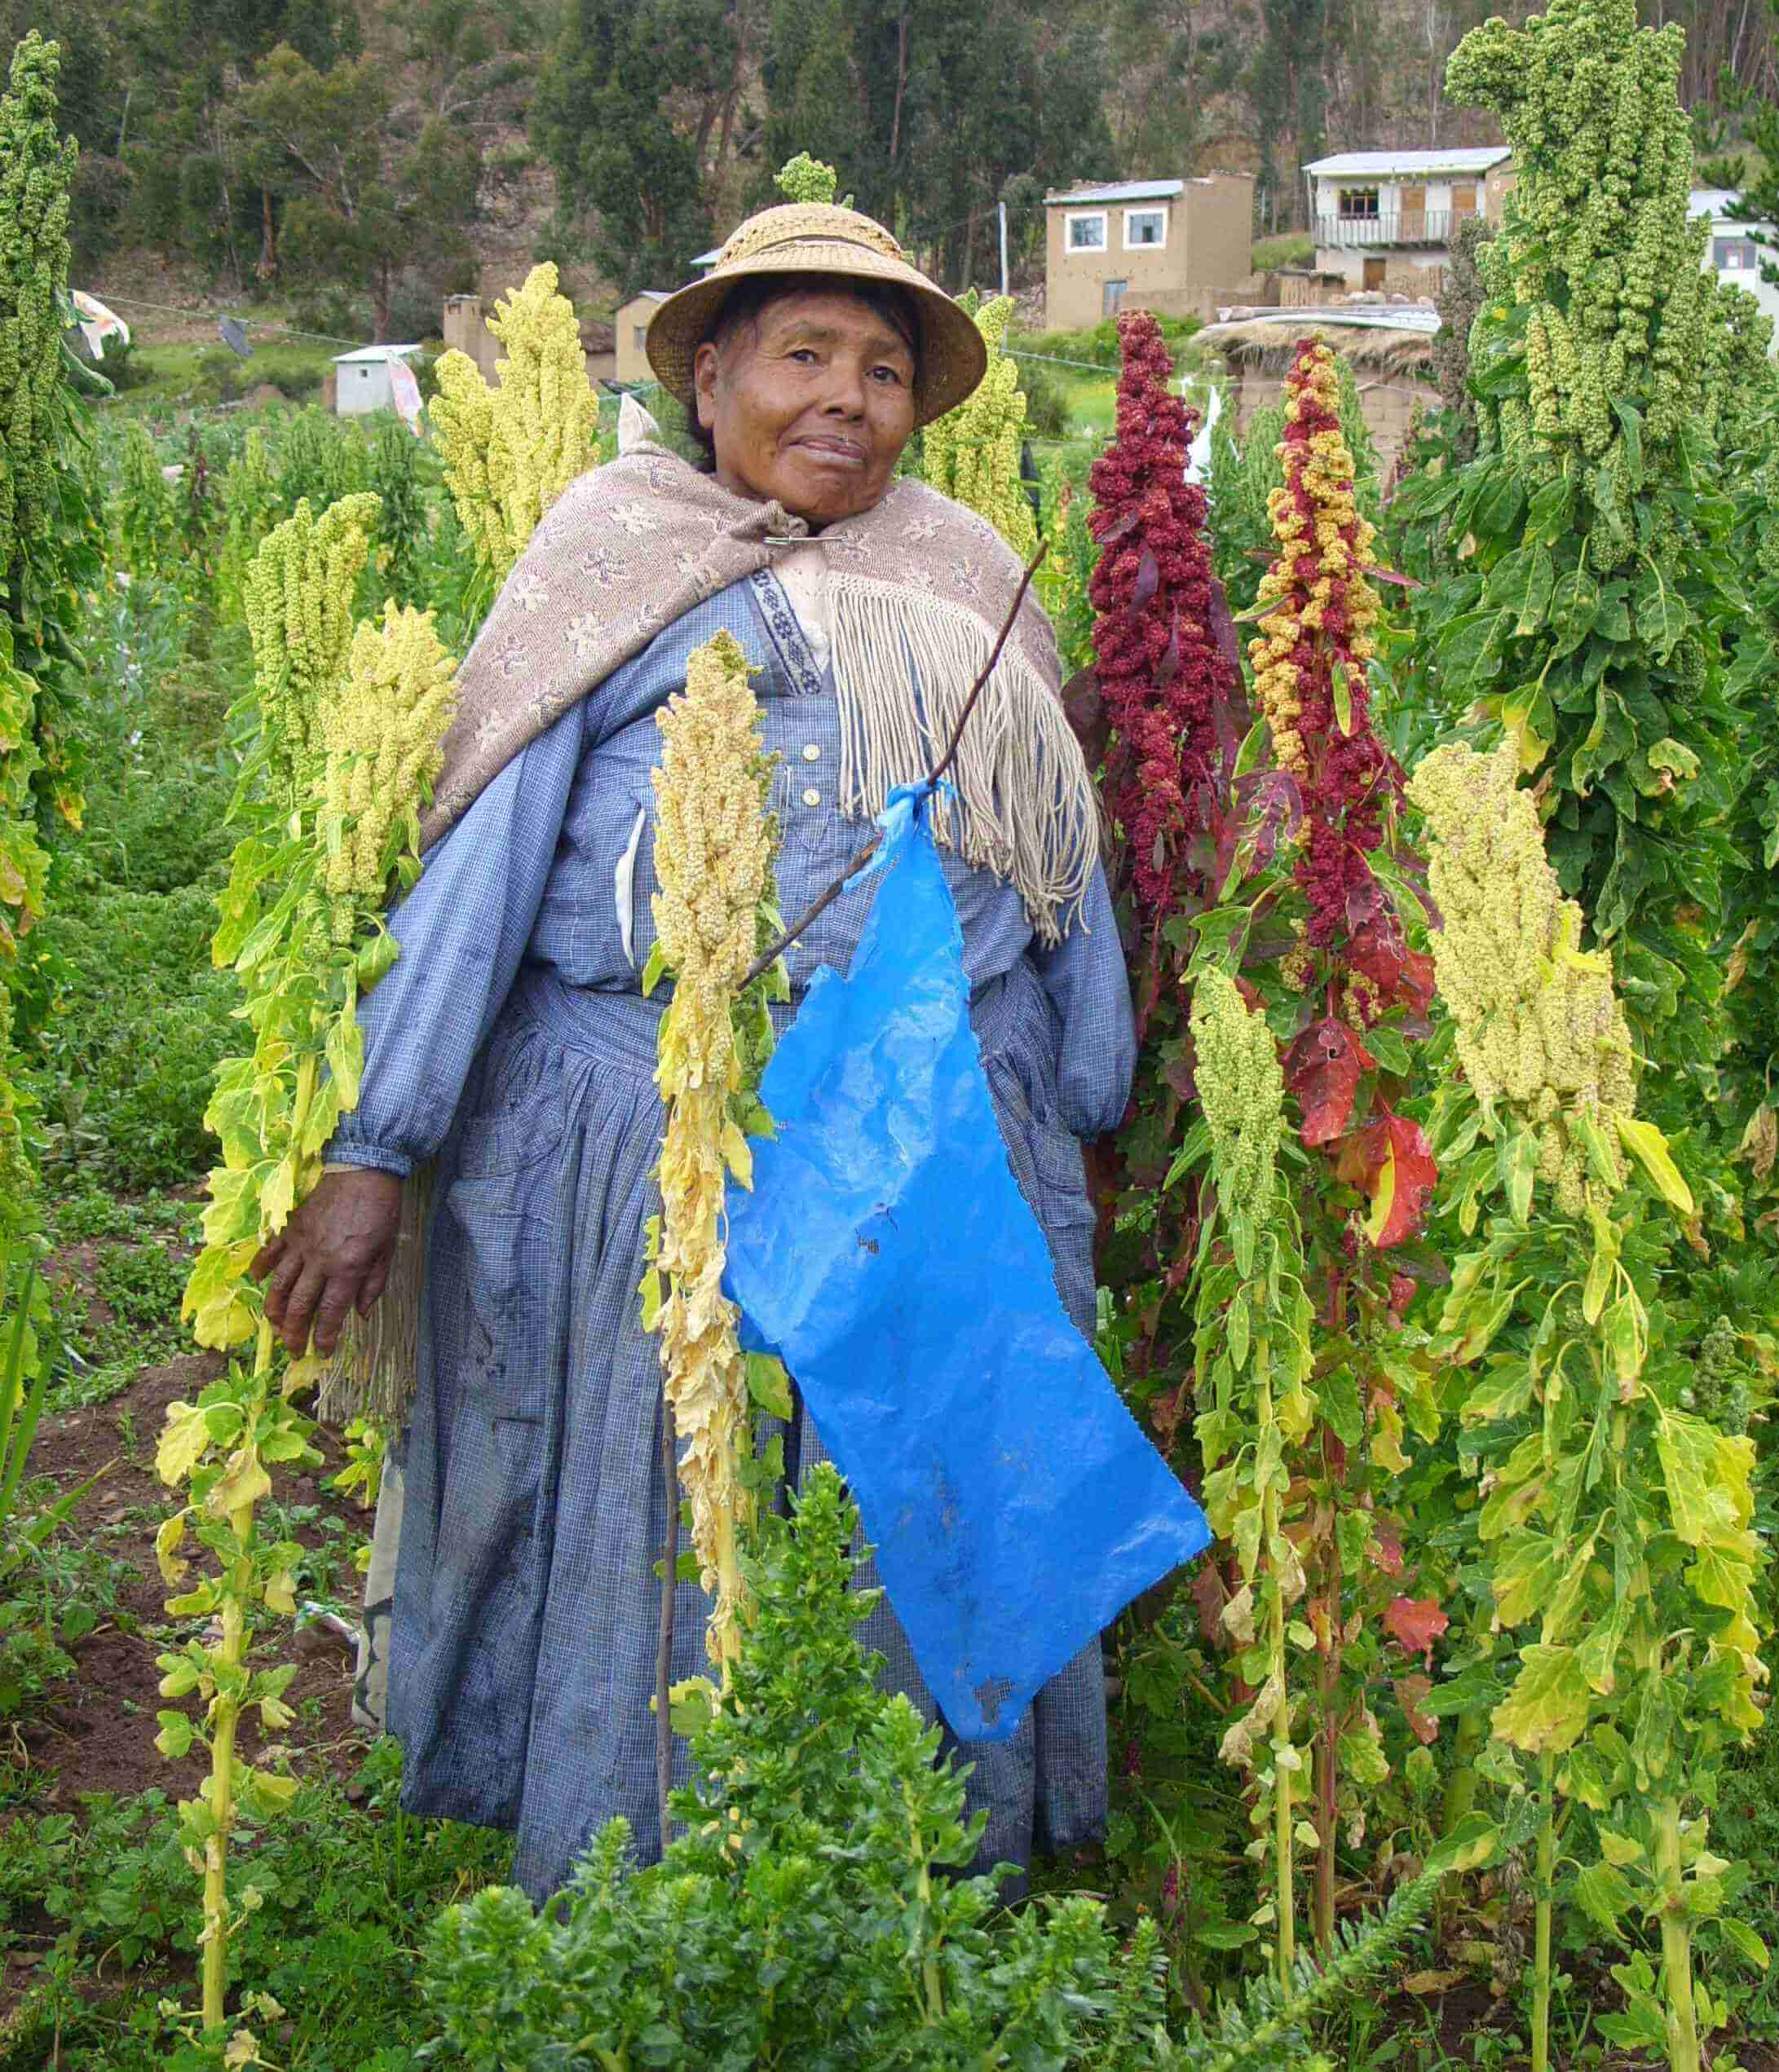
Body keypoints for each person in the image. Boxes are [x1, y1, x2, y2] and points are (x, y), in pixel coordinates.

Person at [251, 200, 1137, 1900]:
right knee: (666, 1502)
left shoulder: (965, 574)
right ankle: (642, 1893)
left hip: (928, 1135)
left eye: (884, 370)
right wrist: (378, 1144)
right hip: (656, 1126)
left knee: (909, 1500)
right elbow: (489, 859)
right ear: (710, 377)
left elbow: (1053, 862)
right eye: (805, 354)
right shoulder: (611, 550)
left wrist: (1083, 1097)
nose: (848, 398)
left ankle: (911, 1899)